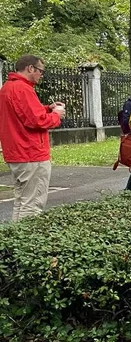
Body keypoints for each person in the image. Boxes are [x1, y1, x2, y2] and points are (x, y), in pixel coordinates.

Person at [0, 55, 65, 221]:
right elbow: (36, 120)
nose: (41, 75)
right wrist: (56, 115)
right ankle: (26, 245)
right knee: (32, 205)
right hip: (31, 152)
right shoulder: (23, 89)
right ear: (30, 68)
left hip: (17, 151)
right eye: (40, 71)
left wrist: (46, 108)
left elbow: (23, 113)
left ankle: (14, 242)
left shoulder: (8, 87)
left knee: (22, 201)